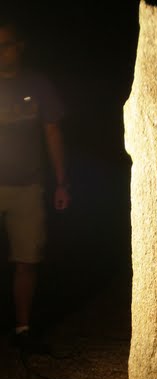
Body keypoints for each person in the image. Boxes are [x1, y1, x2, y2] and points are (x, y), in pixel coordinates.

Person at [0, 19, 70, 351]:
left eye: (7, 45)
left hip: (28, 186)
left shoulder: (38, 83)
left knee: (26, 259)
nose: (1, 53)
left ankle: (22, 327)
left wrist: (61, 182)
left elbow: (52, 132)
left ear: (20, 46)